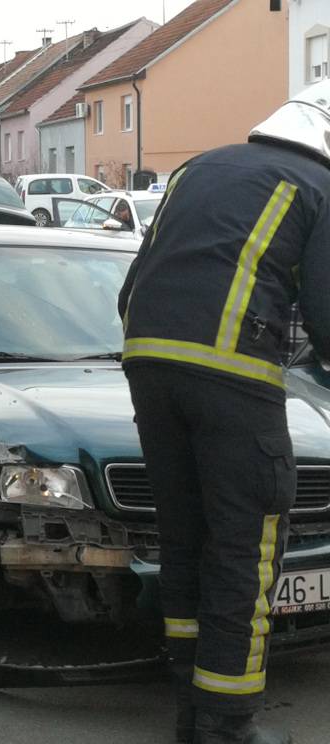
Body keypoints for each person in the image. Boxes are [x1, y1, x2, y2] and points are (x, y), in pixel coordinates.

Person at [118, 81, 330, 744]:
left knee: (185, 539)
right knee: (246, 550)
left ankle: (190, 704)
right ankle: (226, 725)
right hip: (233, 377)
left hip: (146, 365)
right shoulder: (320, 186)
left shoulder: (201, 167)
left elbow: (132, 287)